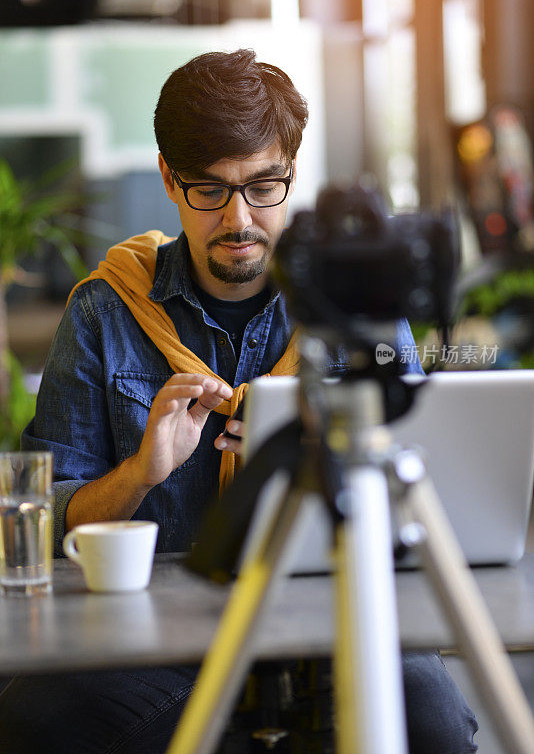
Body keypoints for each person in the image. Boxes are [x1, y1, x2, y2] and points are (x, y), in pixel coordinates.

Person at [0, 49, 478, 753]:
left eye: (263, 186)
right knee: (44, 717)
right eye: (209, 191)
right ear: (169, 178)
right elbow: (40, 530)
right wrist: (141, 474)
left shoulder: (361, 307)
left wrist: (319, 457)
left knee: (432, 721)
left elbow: (430, 506)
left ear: (292, 170)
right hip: (153, 639)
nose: (239, 219)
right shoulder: (104, 312)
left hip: (333, 615)